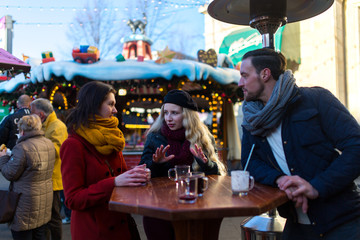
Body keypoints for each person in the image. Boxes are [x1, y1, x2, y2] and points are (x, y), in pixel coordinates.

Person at [239, 48, 360, 240]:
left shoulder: (316, 100)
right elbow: (249, 163)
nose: (240, 83)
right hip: (296, 223)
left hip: (342, 221)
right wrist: (279, 179)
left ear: (265, 74)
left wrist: (316, 186)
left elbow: (356, 146)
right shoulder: (252, 119)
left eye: (244, 75)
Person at [60, 81, 149, 240]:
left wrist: (136, 175)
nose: (115, 110)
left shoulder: (113, 137)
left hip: (122, 224)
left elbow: (118, 175)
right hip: (94, 230)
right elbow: (73, 199)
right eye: (110, 104)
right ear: (94, 105)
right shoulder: (73, 145)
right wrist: (114, 182)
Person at [140, 89, 227, 240]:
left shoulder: (203, 137)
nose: (168, 118)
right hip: (160, 207)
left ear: (187, 115)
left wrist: (205, 163)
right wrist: (156, 163)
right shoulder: (154, 136)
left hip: (197, 206)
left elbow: (217, 175)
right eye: (166, 113)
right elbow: (143, 171)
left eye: (174, 113)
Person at [0, 114, 55, 240]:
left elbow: (10, 173)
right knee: (40, 233)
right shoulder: (48, 143)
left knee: (23, 235)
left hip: (25, 202)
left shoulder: (22, 147)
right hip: (44, 198)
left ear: (22, 131)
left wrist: (3, 158)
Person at [30, 98, 68, 240]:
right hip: (46, 179)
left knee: (53, 217)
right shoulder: (46, 124)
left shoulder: (57, 126)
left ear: (40, 114)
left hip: (52, 179)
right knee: (45, 219)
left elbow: (56, 151)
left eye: (32, 112)